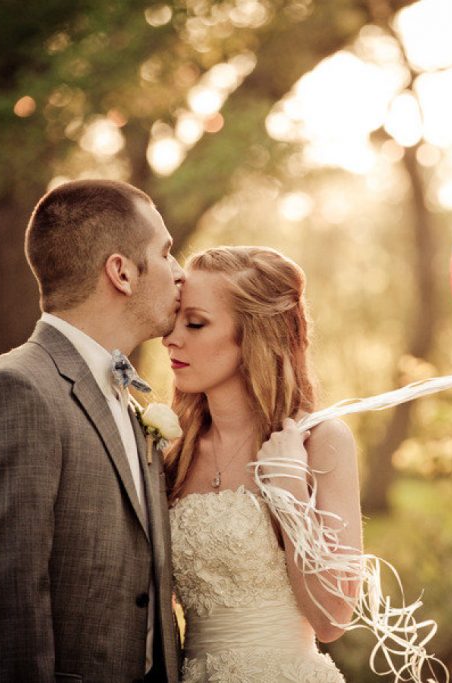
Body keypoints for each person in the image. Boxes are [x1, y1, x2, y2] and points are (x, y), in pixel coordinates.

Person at [0, 179, 185, 682]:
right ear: (121, 272)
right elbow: (5, 612)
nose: (180, 273)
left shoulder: (126, 393)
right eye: (166, 253)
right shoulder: (18, 390)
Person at [162, 246, 361, 682]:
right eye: (175, 319)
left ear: (254, 336)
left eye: (195, 323)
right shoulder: (169, 452)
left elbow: (333, 620)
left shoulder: (321, 442)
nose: (171, 337)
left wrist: (288, 491)